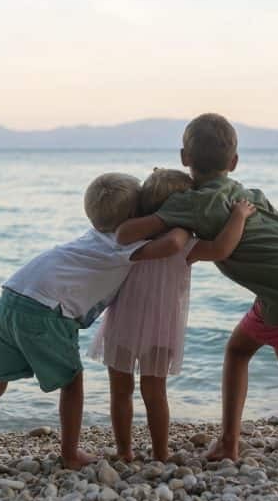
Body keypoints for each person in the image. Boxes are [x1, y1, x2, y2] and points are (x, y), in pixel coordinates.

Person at [117, 114, 278, 461]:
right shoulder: (249, 194)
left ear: (184, 158)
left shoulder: (189, 203)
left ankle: (229, 442)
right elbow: (274, 232)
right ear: (234, 162)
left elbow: (139, 229)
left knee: (238, 352)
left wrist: (120, 225)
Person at [0, 172, 191, 469]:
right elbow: (171, 245)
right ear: (133, 217)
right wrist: (182, 219)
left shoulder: (93, 235)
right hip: (47, 309)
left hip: (11, 295)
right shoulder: (123, 243)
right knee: (72, 382)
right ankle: (70, 454)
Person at [88, 168, 255, 461]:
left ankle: (125, 452)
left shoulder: (131, 235)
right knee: (155, 393)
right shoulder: (185, 243)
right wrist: (238, 216)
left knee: (120, 391)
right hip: (161, 328)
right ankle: (161, 454)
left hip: (122, 324)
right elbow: (221, 248)